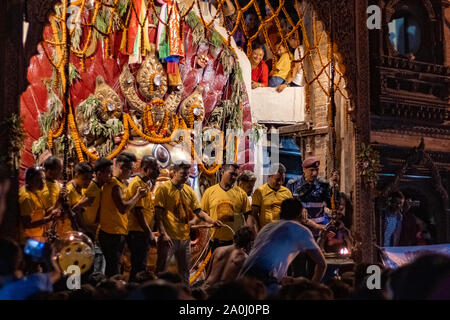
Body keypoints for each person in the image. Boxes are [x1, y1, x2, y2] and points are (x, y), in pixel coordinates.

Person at [154, 162, 223, 287]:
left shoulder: (188, 190)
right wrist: (163, 233)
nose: (185, 176)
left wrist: (212, 221)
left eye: (187, 174)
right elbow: (158, 214)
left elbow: (199, 212)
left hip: (184, 238)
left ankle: (185, 294)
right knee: (161, 269)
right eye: (182, 173)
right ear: (174, 172)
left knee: (185, 271)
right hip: (169, 237)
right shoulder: (164, 189)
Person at [238, 198, 327, 296]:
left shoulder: (268, 227)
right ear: (301, 214)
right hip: (264, 281)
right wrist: (311, 289)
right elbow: (322, 264)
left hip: (242, 278)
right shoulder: (300, 229)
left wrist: (288, 280)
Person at [98, 152, 148, 277]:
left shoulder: (120, 183)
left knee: (117, 265)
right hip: (111, 232)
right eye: (130, 169)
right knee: (113, 268)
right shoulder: (115, 185)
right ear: (122, 167)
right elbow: (123, 208)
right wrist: (138, 196)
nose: (131, 172)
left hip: (118, 230)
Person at [201, 164, 251, 252]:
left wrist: (249, 236)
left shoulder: (241, 194)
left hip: (235, 243)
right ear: (222, 172)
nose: (234, 177)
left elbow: (248, 217)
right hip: (215, 242)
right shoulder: (209, 192)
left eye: (236, 175)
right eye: (231, 174)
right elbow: (203, 214)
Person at [126, 155, 160, 282]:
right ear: (145, 168)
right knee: (138, 268)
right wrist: (149, 233)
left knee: (140, 265)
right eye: (154, 168)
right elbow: (138, 212)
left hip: (142, 232)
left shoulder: (146, 183)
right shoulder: (137, 184)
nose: (158, 171)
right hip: (137, 231)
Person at [287, 156, 332, 237]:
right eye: (311, 170)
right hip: (299, 231)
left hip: (318, 231)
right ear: (304, 170)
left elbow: (330, 207)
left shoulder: (324, 185)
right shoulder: (293, 184)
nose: (314, 173)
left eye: (316, 170)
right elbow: (288, 209)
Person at [247, 163, 292, 234]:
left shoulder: (287, 192)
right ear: (269, 176)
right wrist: (258, 230)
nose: (280, 183)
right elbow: (254, 214)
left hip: (282, 232)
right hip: (265, 232)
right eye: (277, 180)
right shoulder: (260, 192)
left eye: (282, 180)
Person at [19, 167, 59, 244]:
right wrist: (47, 219)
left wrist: (59, 201)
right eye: (38, 180)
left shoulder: (35, 191)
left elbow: (43, 212)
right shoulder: (26, 198)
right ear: (29, 181)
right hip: (29, 241)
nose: (43, 182)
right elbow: (27, 224)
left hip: (37, 237)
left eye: (43, 179)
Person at [58, 161, 93, 235]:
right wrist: (80, 205)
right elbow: (64, 215)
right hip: (68, 231)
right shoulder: (69, 191)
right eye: (85, 179)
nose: (88, 182)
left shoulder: (83, 188)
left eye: (90, 179)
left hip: (80, 229)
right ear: (76, 176)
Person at [38, 156, 67, 237]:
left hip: (59, 228)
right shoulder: (43, 188)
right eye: (59, 170)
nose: (61, 172)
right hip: (48, 230)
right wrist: (59, 200)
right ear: (50, 172)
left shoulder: (55, 182)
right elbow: (48, 212)